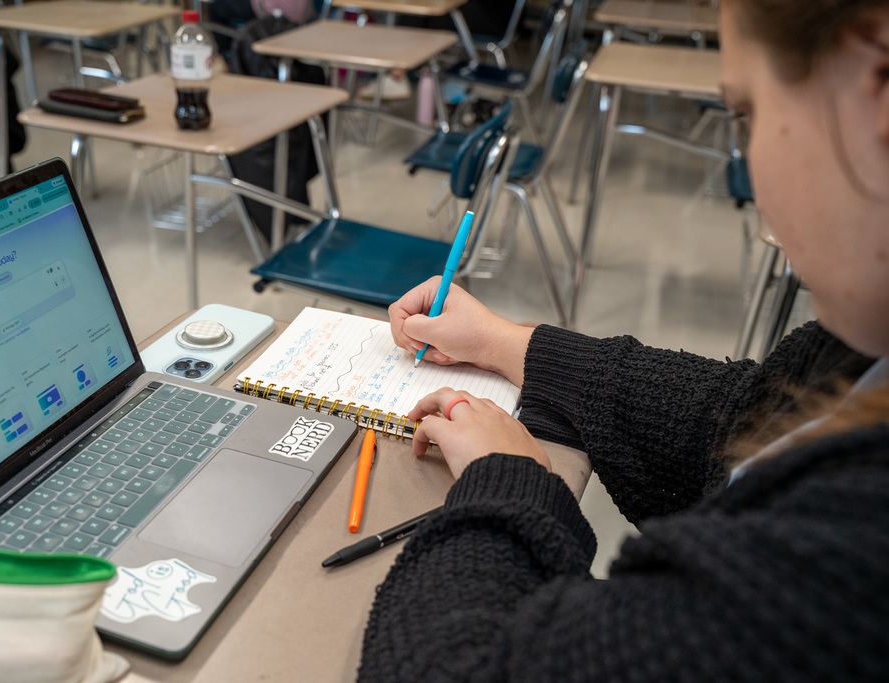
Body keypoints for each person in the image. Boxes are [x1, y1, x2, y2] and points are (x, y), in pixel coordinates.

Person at [358, 1, 889, 680]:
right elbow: (741, 416)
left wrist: (511, 485)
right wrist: (501, 342)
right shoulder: (862, 352)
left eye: (748, 115)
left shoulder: (839, 562)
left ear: (875, 84)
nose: (756, 187)